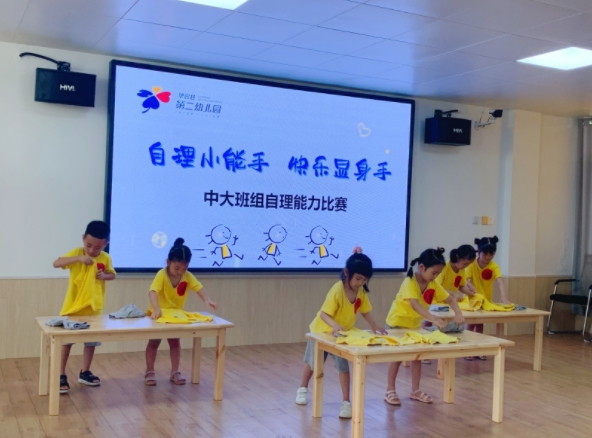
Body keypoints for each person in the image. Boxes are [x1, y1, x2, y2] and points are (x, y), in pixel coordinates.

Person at [295, 248, 386, 419]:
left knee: (343, 367)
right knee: (313, 364)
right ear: (347, 273)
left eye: (364, 280)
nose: (361, 283)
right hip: (322, 332)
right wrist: (334, 325)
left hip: (342, 335)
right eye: (358, 278)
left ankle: (346, 402)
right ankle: (303, 388)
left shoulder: (360, 291)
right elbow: (324, 314)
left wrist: (374, 326)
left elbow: (365, 311)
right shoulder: (337, 290)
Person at [384, 248, 464, 405]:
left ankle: (415, 390)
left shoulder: (433, 284)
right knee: (397, 358)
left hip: (414, 326)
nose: (435, 276)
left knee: (417, 357)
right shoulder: (409, 282)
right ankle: (390, 390)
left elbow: (450, 299)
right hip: (396, 324)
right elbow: (415, 304)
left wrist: (458, 313)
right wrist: (434, 319)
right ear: (422, 267)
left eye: (438, 274)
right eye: (434, 273)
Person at [52, 220, 116, 393]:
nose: (92, 250)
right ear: (83, 239)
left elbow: (112, 275)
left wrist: (104, 276)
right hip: (73, 307)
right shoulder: (78, 253)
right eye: (89, 245)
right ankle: (60, 374)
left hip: (94, 308)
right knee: (66, 342)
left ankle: (85, 372)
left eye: (97, 247)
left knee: (91, 342)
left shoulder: (106, 258)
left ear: (105, 244)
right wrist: (79, 258)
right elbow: (56, 263)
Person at [144, 238, 218, 385]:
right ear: (168, 262)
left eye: (184, 269)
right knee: (154, 342)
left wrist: (207, 300)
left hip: (175, 315)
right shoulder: (161, 274)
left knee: (175, 342)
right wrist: (156, 308)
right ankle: (149, 371)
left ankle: (175, 372)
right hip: (159, 315)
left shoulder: (187, 276)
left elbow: (198, 287)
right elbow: (152, 291)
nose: (180, 272)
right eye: (177, 268)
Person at [464, 236, 509, 361]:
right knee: (471, 325)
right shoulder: (472, 265)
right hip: (471, 301)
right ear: (479, 252)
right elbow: (465, 280)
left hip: (485, 301)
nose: (488, 257)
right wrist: (473, 290)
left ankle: (480, 349)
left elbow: (499, 281)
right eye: (485, 254)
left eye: (491, 254)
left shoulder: (494, 266)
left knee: (480, 325)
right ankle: (468, 349)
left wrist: (503, 296)